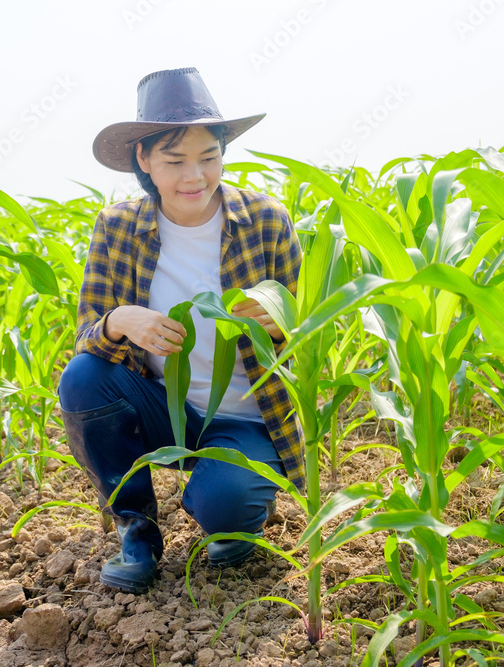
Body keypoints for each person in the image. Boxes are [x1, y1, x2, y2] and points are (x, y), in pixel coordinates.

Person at [57, 67, 305, 594]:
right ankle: (137, 529)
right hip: (160, 406)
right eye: (174, 161)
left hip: (245, 419)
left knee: (226, 505)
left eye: (208, 157)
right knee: (82, 377)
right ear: (143, 161)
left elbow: (306, 329)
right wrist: (119, 321)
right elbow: (86, 336)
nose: (194, 176)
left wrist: (281, 323)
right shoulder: (119, 227)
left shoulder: (265, 220)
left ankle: (231, 512)